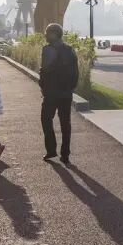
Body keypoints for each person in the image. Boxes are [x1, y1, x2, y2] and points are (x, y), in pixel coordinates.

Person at [39, 23, 78, 164]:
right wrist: (71, 87)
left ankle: (51, 150)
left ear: (54, 34)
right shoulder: (70, 50)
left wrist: (42, 86)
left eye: (47, 33)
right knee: (65, 123)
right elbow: (76, 72)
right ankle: (65, 154)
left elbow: (44, 70)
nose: (45, 35)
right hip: (66, 93)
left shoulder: (48, 50)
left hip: (51, 92)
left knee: (46, 119)